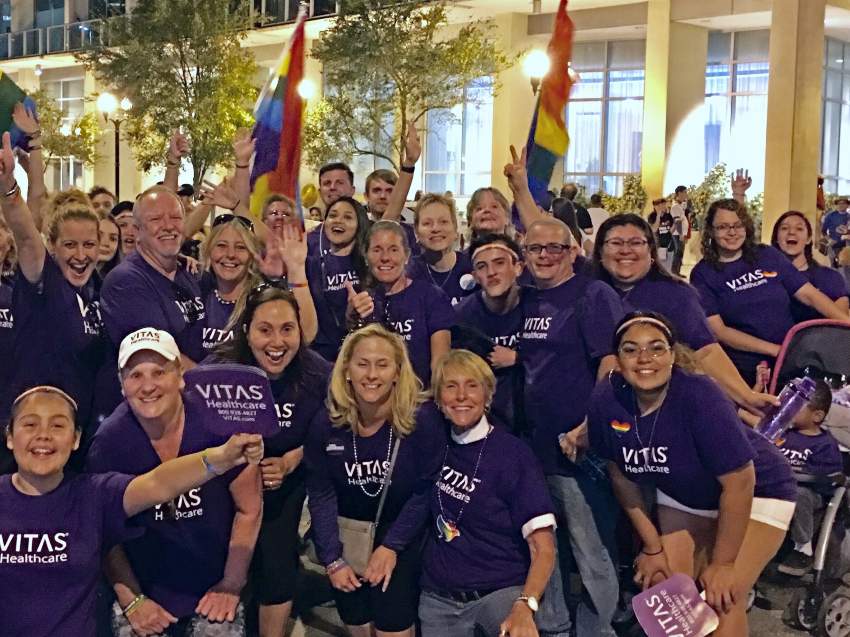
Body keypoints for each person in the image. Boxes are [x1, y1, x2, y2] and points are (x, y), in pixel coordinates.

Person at [587, 311, 797, 637]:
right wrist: (652, 548)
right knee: (666, 591)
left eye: (656, 348)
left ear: (672, 355)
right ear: (618, 358)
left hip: (756, 489)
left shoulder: (700, 395)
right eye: (631, 349)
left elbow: (740, 482)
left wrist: (724, 565)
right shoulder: (607, 397)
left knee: (722, 597)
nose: (645, 359)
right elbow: (621, 476)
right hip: (685, 491)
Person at [0, 384, 263, 637]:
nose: (43, 434)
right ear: (10, 437)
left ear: (76, 438)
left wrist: (221, 458)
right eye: (30, 424)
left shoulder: (94, 494)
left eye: (57, 425)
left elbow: (159, 483)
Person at [87, 328, 263, 637]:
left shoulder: (218, 421)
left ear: (180, 376)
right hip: (144, 588)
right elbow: (102, 532)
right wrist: (131, 600)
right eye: (135, 375)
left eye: (159, 371)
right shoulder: (109, 442)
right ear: (121, 384)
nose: (148, 386)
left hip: (213, 585)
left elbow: (249, 509)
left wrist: (232, 583)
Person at [305, 324, 445, 637]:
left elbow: (425, 489)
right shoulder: (326, 423)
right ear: (347, 371)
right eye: (362, 364)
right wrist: (331, 559)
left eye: (382, 365)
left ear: (397, 372)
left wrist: (391, 546)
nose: (372, 374)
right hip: (346, 538)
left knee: (391, 626)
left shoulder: (420, 421)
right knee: (358, 625)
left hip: (401, 537)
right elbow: (321, 492)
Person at [520, 217, 623, 637]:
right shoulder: (524, 298)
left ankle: (598, 630)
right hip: (534, 448)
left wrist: (587, 426)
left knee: (590, 550)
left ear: (573, 251)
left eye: (554, 249)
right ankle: (556, 626)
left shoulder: (592, 294)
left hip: (576, 449)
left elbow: (611, 361)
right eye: (535, 249)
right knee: (547, 548)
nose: (544, 256)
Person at [212, 286, 332, 637]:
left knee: (278, 565)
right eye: (265, 330)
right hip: (224, 484)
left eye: (287, 329)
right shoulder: (221, 368)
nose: (276, 342)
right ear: (247, 331)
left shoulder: (317, 374)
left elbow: (334, 441)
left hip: (284, 484)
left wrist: (292, 460)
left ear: (300, 330)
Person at [419, 350, 557, 637]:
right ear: (438, 399)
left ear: (488, 394)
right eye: (450, 386)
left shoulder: (513, 455)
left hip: (500, 592)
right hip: (438, 598)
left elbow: (543, 548)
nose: (461, 396)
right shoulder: (434, 444)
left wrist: (526, 604)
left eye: (472, 385)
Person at [592, 213, 773, 414]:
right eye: (616, 243)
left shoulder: (675, 294)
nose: (626, 250)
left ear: (651, 251)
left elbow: (705, 351)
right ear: (600, 251)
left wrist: (746, 397)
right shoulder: (587, 291)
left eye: (636, 242)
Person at [0, 137, 108, 428]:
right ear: (53, 246)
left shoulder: (99, 292)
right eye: (70, 245)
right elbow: (24, 235)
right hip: (35, 432)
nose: (81, 255)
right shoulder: (44, 282)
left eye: (89, 244)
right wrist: (8, 186)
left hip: (80, 433)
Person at [690, 199, 847, 385]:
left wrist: (845, 323)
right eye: (723, 227)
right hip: (747, 367)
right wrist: (775, 350)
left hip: (790, 360)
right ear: (711, 231)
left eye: (737, 225)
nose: (732, 232)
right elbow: (719, 331)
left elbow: (810, 295)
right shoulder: (703, 273)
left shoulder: (766, 255)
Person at [101, 185, 207, 367]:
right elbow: (161, 358)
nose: (168, 226)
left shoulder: (190, 272)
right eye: (156, 219)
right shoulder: (124, 281)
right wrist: (215, 387)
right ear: (137, 230)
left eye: (175, 217)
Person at [347, 220, 455, 385]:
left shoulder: (430, 296)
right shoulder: (361, 301)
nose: (385, 258)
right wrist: (352, 316)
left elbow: (440, 365)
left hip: (420, 400)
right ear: (366, 256)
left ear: (407, 255)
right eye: (377, 250)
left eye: (393, 250)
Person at [454, 233, 524, 432]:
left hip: (536, 422)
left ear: (518, 267)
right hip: (486, 425)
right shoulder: (461, 317)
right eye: (482, 266)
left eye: (499, 263)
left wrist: (519, 357)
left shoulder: (539, 306)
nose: (491, 272)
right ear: (475, 276)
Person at [775, 380, 842, 577]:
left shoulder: (824, 445)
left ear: (817, 415)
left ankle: (802, 548)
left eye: (795, 406)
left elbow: (827, 477)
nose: (788, 409)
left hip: (810, 494)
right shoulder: (784, 434)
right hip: (778, 486)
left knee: (799, 494)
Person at [306, 195, 371, 361]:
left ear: (360, 225)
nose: (338, 221)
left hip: (362, 352)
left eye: (348, 217)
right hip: (320, 356)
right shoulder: (310, 263)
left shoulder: (371, 263)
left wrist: (353, 315)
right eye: (332, 215)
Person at [199, 215, 263, 352]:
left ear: (252, 255)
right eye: (221, 245)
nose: (231, 254)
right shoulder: (198, 295)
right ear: (209, 250)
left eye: (241, 247)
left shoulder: (260, 302)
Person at [771, 210, 849, 322]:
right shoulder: (766, 277)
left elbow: (839, 326)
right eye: (784, 228)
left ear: (808, 239)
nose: (791, 232)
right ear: (776, 239)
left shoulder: (830, 277)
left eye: (799, 228)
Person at [408, 193, 474, 306]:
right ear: (416, 232)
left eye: (443, 222)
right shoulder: (408, 274)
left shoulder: (473, 267)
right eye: (427, 223)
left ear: (455, 228)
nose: (436, 228)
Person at [306, 162, 357, 256]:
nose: (332, 187)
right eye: (327, 183)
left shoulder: (370, 234)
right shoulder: (308, 241)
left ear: (352, 190)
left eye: (340, 182)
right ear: (320, 192)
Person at [821, 196, 850, 267]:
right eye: (839, 203)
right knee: (835, 266)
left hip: (846, 247)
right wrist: (829, 240)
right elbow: (823, 231)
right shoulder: (830, 216)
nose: (841, 205)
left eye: (843, 203)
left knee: (845, 269)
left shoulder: (849, 216)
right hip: (834, 246)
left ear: (847, 205)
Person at [669, 186, 689, 276]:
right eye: (685, 192)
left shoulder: (680, 205)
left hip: (681, 233)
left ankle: (677, 272)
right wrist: (681, 234)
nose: (686, 194)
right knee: (678, 253)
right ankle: (674, 273)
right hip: (678, 234)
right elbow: (677, 221)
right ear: (679, 193)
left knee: (680, 253)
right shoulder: (675, 206)